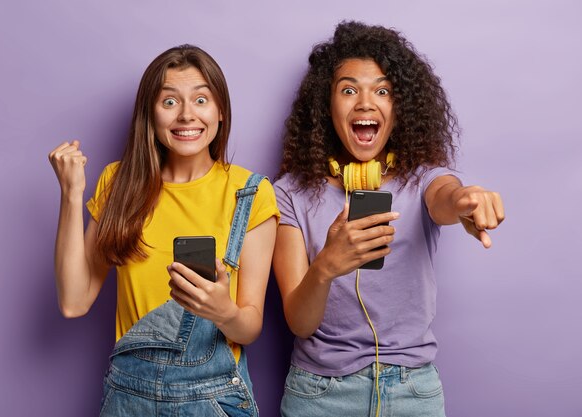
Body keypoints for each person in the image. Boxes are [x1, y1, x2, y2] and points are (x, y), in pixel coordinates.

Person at [272, 22, 504, 417]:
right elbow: (300, 323)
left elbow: (447, 197)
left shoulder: (424, 179)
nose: (365, 103)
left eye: (382, 91)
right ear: (325, 106)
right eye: (348, 90)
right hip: (319, 394)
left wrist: (467, 199)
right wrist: (326, 266)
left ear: (401, 108)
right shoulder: (289, 193)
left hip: (413, 390)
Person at [48, 45, 279, 417]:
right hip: (128, 399)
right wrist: (72, 196)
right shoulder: (117, 183)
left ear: (220, 111)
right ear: (150, 115)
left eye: (201, 99)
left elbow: (249, 327)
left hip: (214, 399)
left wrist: (223, 311)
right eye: (169, 102)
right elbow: (74, 301)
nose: (187, 114)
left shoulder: (250, 193)